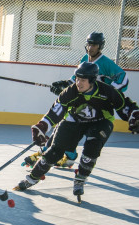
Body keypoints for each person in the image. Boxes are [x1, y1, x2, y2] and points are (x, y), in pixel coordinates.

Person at [14, 62, 139, 196]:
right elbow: (55, 112)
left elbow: (125, 106)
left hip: (100, 122)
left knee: (92, 148)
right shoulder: (70, 92)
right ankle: (32, 178)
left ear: (92, 81)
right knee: (54, 152)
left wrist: (135, 116)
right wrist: (41, 127)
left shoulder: (107, 91)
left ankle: (80, 179)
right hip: (74, 121)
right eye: (77, 79)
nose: (78, 83)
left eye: (83, 80)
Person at [23, 32, 130, 168]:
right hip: (81, 101)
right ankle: (68, 156)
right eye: (89, 44)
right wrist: (63, 85)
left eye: (94, 45)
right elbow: (76, 81)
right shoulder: (85, 58)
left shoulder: (106, 63)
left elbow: (123, 80)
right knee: (67, 123)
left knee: (70, 126)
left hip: (96, 105)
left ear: (100, 46)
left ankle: (54, 153)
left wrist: (108, 93)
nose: (90, 48)